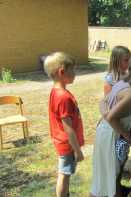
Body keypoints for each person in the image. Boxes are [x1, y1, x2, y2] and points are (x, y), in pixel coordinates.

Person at [90, 52, 131, 197]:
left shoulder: (122, 82)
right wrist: (126, 134)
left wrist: (106, 115)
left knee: (106, 177)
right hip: (111, 136)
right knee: (110, 178)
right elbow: (111, 116)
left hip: (106, 132)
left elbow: (103, 103)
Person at [44, 52, 84, 197]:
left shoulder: (57, 92)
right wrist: (78, 151)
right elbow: (69, 129)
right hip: (67, 145)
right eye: (72, 70)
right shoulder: (63, 97)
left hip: (64, 143)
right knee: (64, 174)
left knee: (65, 173)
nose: (75, 73)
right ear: (62, 72)